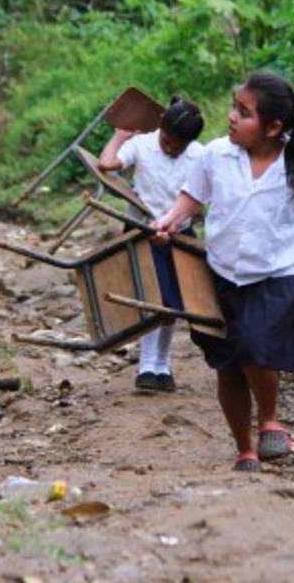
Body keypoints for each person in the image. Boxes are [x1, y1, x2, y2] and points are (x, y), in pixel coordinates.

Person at [152, 72, 294, 471]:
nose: (232, 117)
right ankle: (244, 447)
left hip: (277, 274)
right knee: (227, 362)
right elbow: (191, 197)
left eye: (244, 112)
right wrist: (169, 221)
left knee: (254, 345)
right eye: (234, 108)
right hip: (220, 273)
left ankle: (270, 418)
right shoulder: (216, 155)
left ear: (273, 127)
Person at [98, 96, 206, 392]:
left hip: (179, 234)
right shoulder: (142, 144)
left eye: (178, 146)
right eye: (168, 141)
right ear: (160, 126)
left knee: (172, 304)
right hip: (143, 230)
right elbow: (107, 164)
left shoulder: (200, 155)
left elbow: (201, 197)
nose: (171, 148)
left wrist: (174, 225)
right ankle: (147, 365)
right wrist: (119, 137)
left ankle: (163, 364)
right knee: (151, 299)